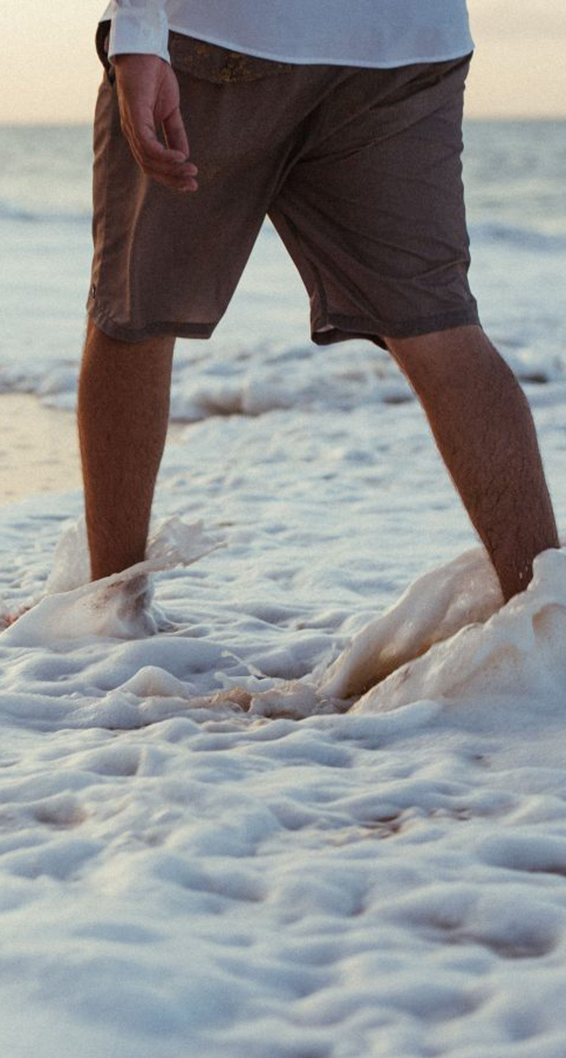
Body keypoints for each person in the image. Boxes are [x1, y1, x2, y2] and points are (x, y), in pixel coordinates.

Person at [83, 0, 559, 606]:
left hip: (222, 33)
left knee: (136, 315)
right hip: (407, 45)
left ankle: (107, 614)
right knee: (443, 329)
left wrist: (139, 30)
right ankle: (546, 623)